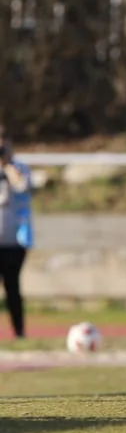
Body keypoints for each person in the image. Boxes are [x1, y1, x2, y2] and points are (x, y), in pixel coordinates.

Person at [0, 125, 33, 340]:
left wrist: (7, 164)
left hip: (13, 240)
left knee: (13, 287)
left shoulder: (19, 168)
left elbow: (22, 187)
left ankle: (19, 333)